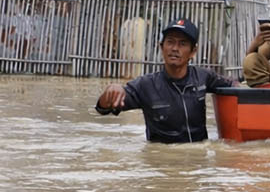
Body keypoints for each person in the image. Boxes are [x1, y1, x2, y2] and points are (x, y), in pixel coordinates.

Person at [94, 18, 235, 143]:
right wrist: (110, 91)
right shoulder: (146, 85)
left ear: (193, 51)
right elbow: (103, 109)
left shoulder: (203, 77)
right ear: (161, 47)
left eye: (182, 44)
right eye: (170, 42)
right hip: (162, 159)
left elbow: (233, 85)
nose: (175, 48)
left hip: (198, 159)